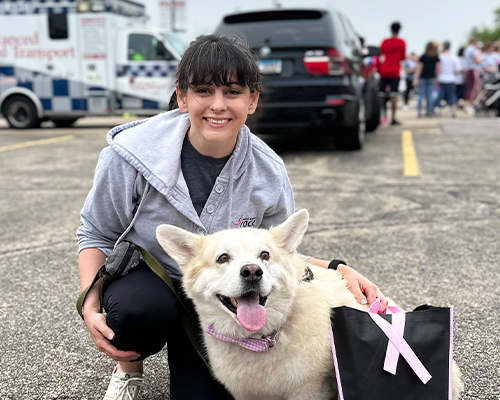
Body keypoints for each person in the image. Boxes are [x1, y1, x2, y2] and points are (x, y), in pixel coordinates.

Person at [77, 34, 388, 400]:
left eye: (233, 92)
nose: (218, 105)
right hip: (155, 285)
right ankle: (129, 367)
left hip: (222, 300)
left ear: (253, 99)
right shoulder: (129, 155)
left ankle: (192, 347)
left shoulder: (268, 172)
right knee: (136, 312)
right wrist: (89, 303)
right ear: (182, 97)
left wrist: (337, 267)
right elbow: (96, 233)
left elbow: (275, 253)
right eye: (204, 91)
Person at [377, 21, 406, 125]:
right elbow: (403, 57)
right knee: (394, 95)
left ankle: (381, 116)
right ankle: (392, 118)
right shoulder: (401, 42)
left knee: (381, 95)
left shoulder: (384, 41)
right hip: (395, 71)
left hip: (384, 70)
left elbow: (379, 54)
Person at [414, 41, 441, 118]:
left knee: (421, 96)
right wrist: (437, 78)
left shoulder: (423, 56)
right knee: (430, 96)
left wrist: (416, 78)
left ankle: (419, 112)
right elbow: (438, 69)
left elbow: (419, 68)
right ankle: (429, 112)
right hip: (432, 78)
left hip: (423, 78)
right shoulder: (436, 57)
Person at [436, 41, 461, 117]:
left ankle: (437, 110)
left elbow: (437, 68)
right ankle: (453, 110)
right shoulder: (454, 58)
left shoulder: (440, 57)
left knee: (440, 95)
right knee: (452, 96)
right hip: (451, 78)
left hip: (441, 78)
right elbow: (458, 69)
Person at [463, 37, 482, 113]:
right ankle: (468, 105)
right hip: (473, 69)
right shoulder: (473, 50)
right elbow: (477, 60)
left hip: (469, 69)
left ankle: (469, 104)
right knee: (473, 88)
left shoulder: (467, 49)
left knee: (471, 87)